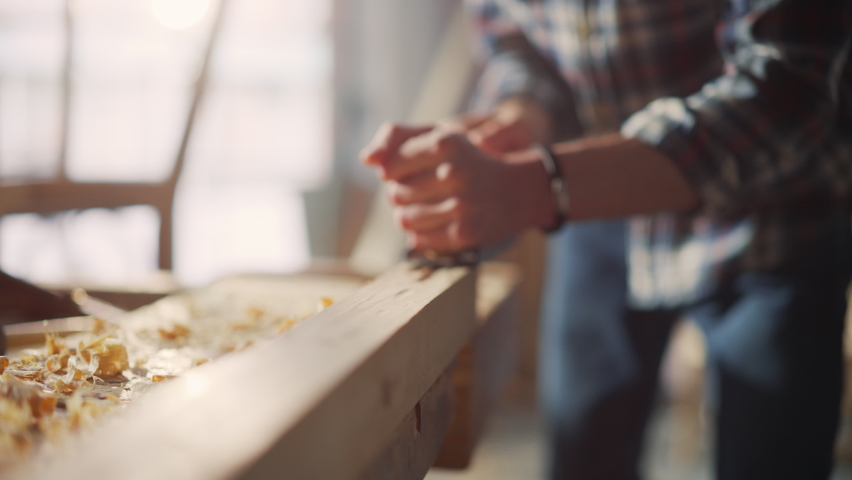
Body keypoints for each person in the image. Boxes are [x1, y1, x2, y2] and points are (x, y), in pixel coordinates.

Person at [361, 0, 852, 478]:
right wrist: (521, 115)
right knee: (583, 458)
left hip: (775, 213)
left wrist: (537, 188)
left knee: (773, 460)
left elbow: (785, 91)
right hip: (593, 211)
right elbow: (515, 44)